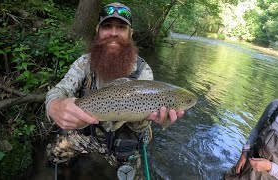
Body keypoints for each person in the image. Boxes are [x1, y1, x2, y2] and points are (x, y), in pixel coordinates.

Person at [45, 2, 185, 178]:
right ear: (98, 30)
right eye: (107, 26)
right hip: (88, 134)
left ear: (130, 33)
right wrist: (53, 105)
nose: (113, 33)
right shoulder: (84, 63)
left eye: (121, 27)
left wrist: (149, 119)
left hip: (124, 143)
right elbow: (59, 90)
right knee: (53, 153)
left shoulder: (142, 70)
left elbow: (141, 125)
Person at [224, 98, 278, 180]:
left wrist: (270, 167)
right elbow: (257, 129)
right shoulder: (276, 105)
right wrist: (244, 153)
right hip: (246, 166)